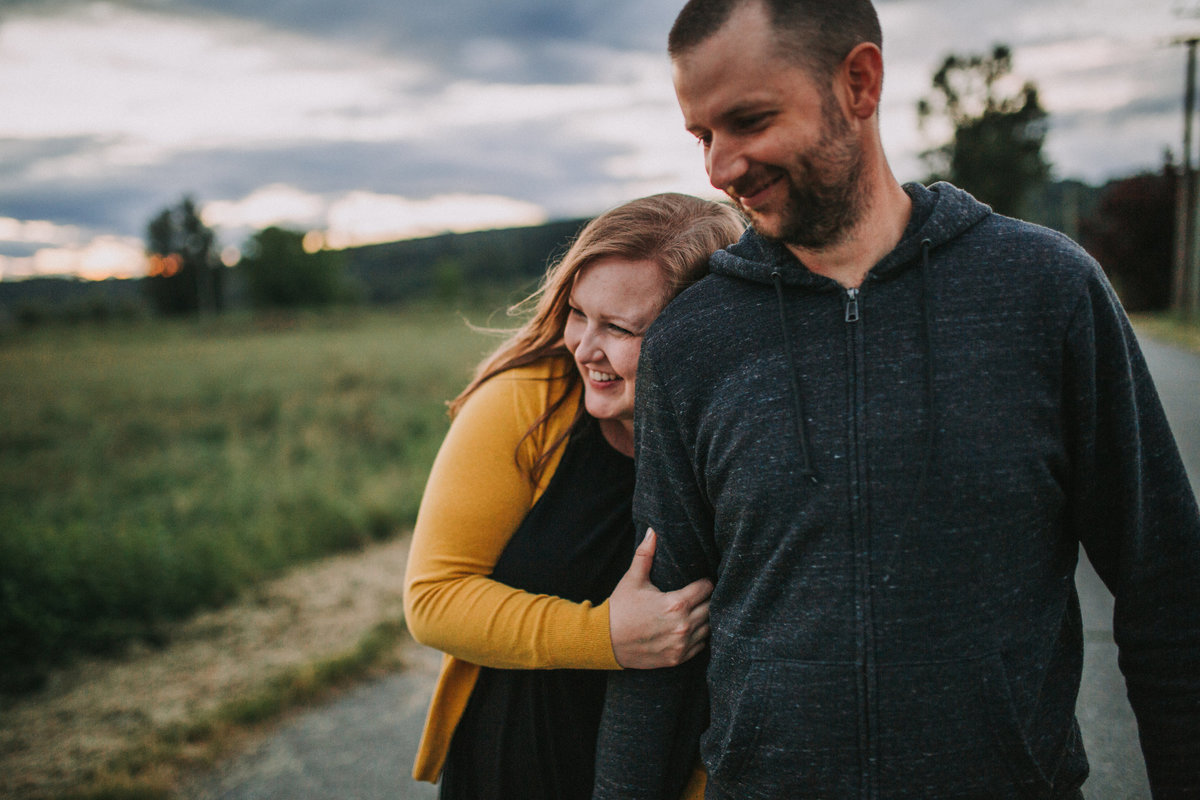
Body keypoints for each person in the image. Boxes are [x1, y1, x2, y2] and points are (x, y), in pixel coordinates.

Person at [592, 1, 1200, 799]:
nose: (720, 169)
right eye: (703, 135)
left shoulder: (1045, 292)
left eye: (748, 120)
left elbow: (1168, 593)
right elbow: (663, 634)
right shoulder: (694, 341)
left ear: (860, 83)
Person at [403, 193, 746, 800]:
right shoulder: (528, 401)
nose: (585, 347)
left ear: (699, 331)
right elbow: (434, 598)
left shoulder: (739, 443)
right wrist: (604, 636)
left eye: (619, 328)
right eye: (579, 313)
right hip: (514, 764)